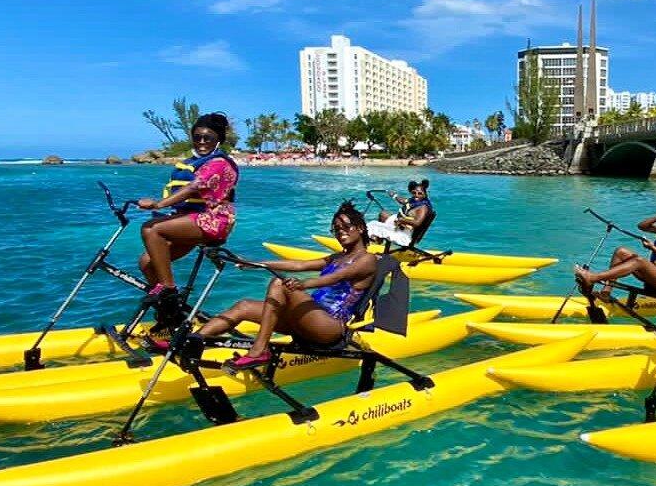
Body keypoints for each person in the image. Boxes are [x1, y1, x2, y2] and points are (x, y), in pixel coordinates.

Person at [197, 201, 379, 370]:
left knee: (279, 283)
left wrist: (304, 284)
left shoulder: (367, 259)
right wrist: (256, 264)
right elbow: (299, 265)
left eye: (346, 227)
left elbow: (337, 277)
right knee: (243, 306)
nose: (341, 232)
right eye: (337, 229)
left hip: (329, 326)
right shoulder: (337, 257)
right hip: (306, 319)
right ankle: (192, 342)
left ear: (360, 228)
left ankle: (259, 350)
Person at [133, 113, 238, 314]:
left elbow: (193, 188)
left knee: (151, 229)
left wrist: (158, 204)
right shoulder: (194, 161)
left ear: (218, 140)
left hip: (214, 221)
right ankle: (170, 317)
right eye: (197, 137)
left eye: (208, 138)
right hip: (190, 220)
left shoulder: (219, 163)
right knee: (146, 262)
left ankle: (169, 290)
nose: (202, 142)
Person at [574, 204, 656, 300]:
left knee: (639, 261)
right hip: (654, 275)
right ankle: (606, 292)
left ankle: (593, 278)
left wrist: (653, 248)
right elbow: (642, 226)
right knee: (621, 251)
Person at [370, 178, 435, 247]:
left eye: (420, 193)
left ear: (425, 194)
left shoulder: (423, 208)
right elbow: (404, 201)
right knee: (383, 214)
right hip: (400, 224)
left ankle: (377, 242)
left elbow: (417, 223)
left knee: (371, 226)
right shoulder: (415, 201)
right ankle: (379, 243)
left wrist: (401, 220)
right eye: (414, 193)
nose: (416, 195)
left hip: (404, 233)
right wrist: (394, 195)